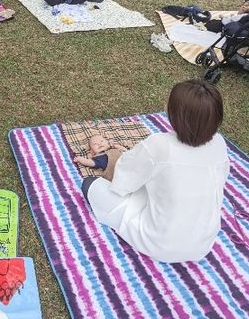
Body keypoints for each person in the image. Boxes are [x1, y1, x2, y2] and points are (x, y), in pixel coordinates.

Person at [82, 80, 230, 263]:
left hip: (160, 242)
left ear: (175, 114)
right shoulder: (219, 144)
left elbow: (121, 183)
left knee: (90, 185)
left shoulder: (158, 145)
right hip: (203, 244)